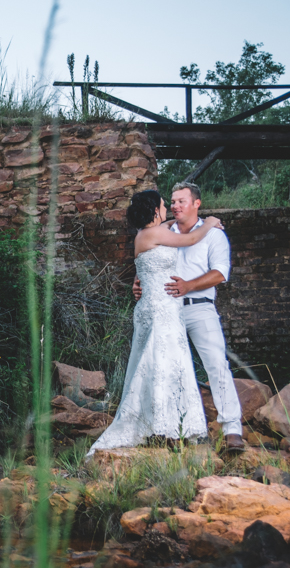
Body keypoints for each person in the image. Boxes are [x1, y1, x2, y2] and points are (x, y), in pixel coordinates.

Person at [87, 190, 223, 454]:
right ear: (154, 210)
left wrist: (173, 222)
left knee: (160, 364)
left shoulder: (147, 234)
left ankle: (165, 425)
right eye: (163, 205)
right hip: (160, 309)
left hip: (158, 307)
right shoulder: (153, 234)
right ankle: (161, 426)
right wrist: (209, 222)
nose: (167, 209)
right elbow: (191, 238)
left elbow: (166, 233)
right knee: (162, 365)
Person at [133, 181, 245, 452]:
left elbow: (220, 273)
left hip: (199, 308)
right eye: (172, 201)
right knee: (166, 368)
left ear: (196, 204)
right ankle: (169, 429)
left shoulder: (213, 234)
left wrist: (189, 285)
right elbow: (148, 263)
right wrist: (139, 283)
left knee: (216, 365)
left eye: (181, 201)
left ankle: (232, 430)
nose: (175, 205)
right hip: (165, 311)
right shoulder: (162, 230)